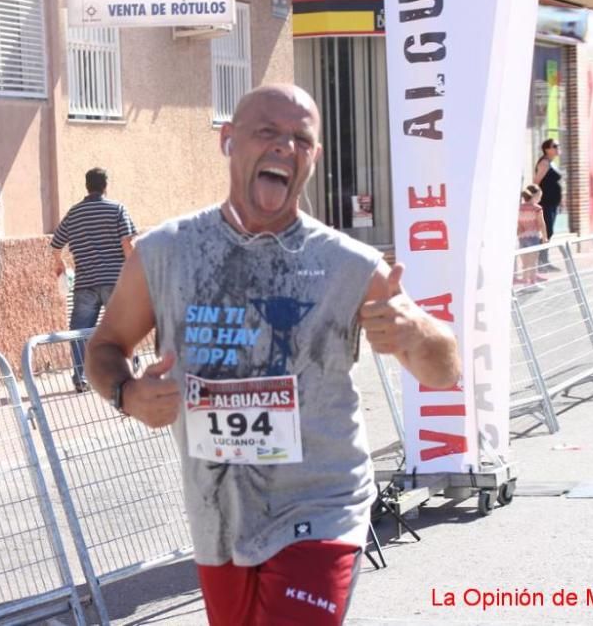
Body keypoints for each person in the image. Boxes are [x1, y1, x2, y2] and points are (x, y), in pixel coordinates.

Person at [85, 84, 460, 625]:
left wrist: (417, 333)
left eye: (300, 139)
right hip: (219, 514)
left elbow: (444, 369)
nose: (285, 146)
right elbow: (104, 348)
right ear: (228, 141)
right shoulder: (165, 253)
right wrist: (127, 392)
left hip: (321, 505)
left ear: (313, 158)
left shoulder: (347, 263)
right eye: (267, 132)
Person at [50, 167, 137, 392]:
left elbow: (56, 244)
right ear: (105, 185)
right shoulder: (117, 209)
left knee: (80, 331)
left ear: (86, 186)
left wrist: (60, 263)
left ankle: (81, 377)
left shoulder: (74, 213)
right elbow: (127, 245)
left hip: (85, 283)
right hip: (114, 281)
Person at [534, 139, 562, 271]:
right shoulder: (544, 163)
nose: (557, 148)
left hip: (552, 203)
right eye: (555, 146)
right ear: (547, 149)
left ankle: (544, 260)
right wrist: (533, 200)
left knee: (549, 232)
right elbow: (536, 181)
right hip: (545, 202)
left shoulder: (552, 163)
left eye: (558, 145)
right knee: (547, 231)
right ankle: (540, 261)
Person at [515, 184, 549, 286]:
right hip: (533, 237)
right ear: (533, 196)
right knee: (533, 261)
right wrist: (545, 237)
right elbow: (541, 224)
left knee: (525, 262)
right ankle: (533, 282)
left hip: (522, 238)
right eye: (539, 196)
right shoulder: (537, 208)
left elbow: (517, 224)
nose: (540, 198)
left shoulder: (519, 208)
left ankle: (525, 282)